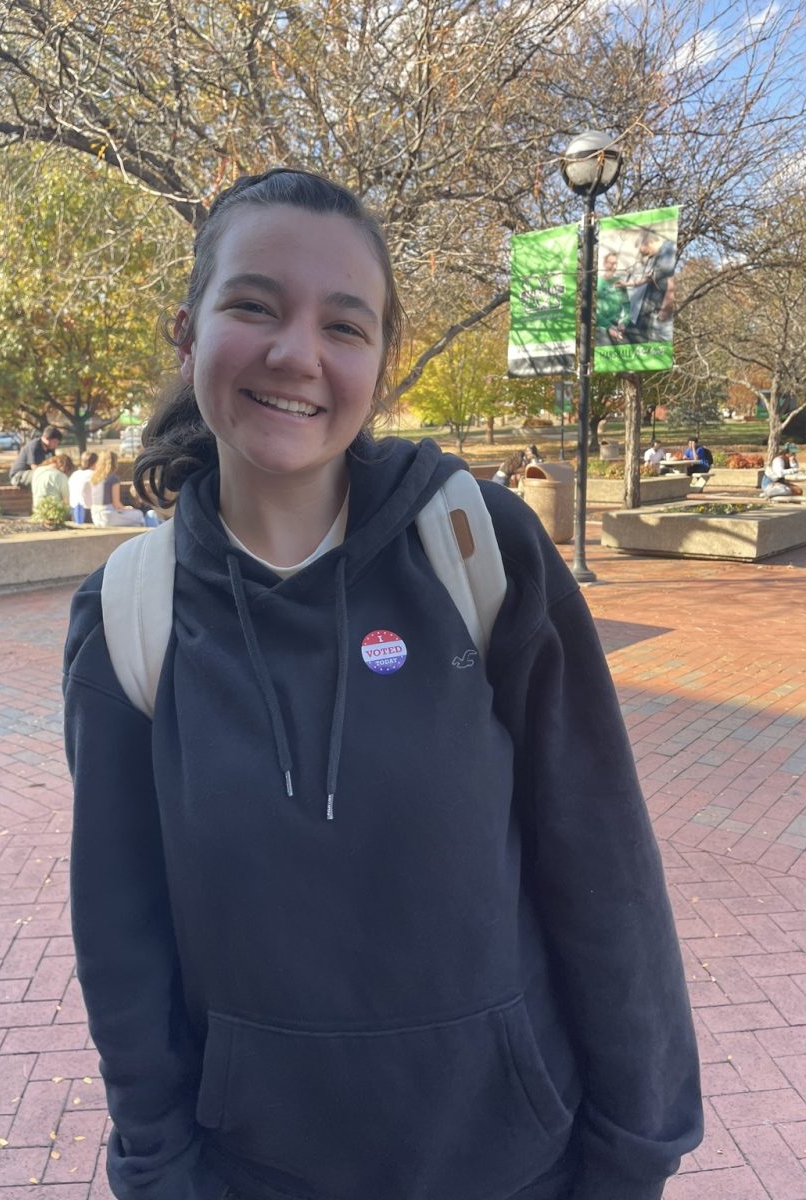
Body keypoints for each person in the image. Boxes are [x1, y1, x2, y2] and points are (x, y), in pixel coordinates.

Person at [63, 168, 702, 1200]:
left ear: (379, 360)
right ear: (189, 334)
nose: (296, 353)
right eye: (253, 306)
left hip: (514, 1167)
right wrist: (158, 1170)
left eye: (343, 325)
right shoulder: (129, 615)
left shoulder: (479, 548)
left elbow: (604, 867)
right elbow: (121, 939)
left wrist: (637, 1149)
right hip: (256, 1174)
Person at [88, 450, 158, 527]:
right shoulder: (113, 478)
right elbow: (116, 504)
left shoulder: (94, 478)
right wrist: (127, 508)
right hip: (108, 515)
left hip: (95, 516)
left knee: (136, 523)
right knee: (139, 514)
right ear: (113, 463)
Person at [68, 451, 98, 524]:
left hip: (73, 509)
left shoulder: (75, 474)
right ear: (96, 462)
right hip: (88, 511)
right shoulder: (93, 475)